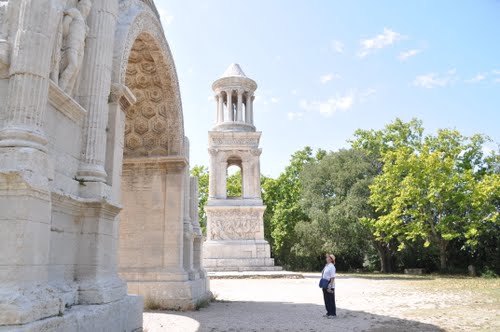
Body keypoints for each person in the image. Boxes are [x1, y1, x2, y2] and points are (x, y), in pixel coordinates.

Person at [321, 254, 336, 318]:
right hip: (324, 284)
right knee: (326, 299)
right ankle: (328, 312)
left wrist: (330, 286)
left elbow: (332, 277)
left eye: (328, 257)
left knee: (330, 299)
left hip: (330, 284)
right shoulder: (327, 266)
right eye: (326, 257)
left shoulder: (332, 267)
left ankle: (332, 314)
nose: (326, 258)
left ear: (331, 259)